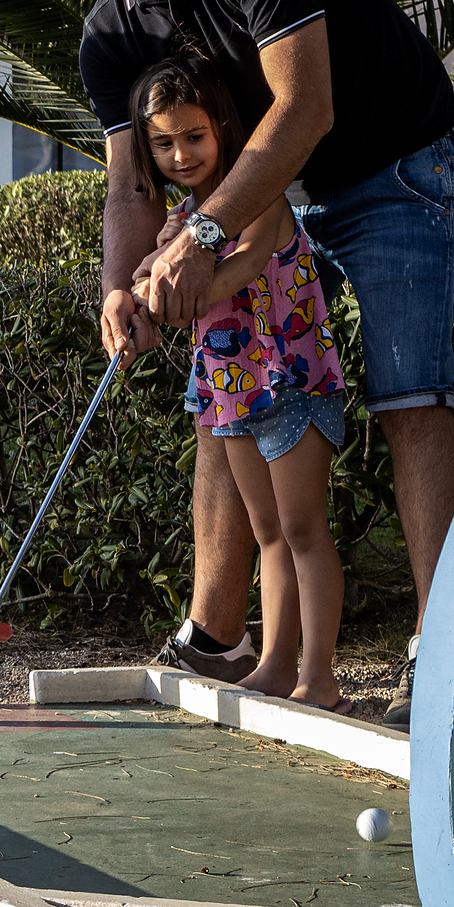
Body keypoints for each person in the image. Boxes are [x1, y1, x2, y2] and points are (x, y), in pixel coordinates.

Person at [28, 0, 454, 716]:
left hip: (390, 167)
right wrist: (122, 284)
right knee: (228, 393)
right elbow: (128, 186)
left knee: (408, 397)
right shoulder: (110, 34)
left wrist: (199, 237)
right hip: (271, 194)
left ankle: (448, 647)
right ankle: (218, 638)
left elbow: (305, 107)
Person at [123, 58, 359, 713]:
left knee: (305, 528)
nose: (180, 154)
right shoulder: (180, 222)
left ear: (222, 127)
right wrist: (134, 299)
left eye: (193, 136)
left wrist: (177, 294)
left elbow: (242, 265)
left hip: (291, 383)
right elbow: (153, 278)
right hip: (232, 394)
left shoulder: (261, 198)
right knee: (269, 533)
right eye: (164, 142)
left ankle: (321, 677)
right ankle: (278, 667)